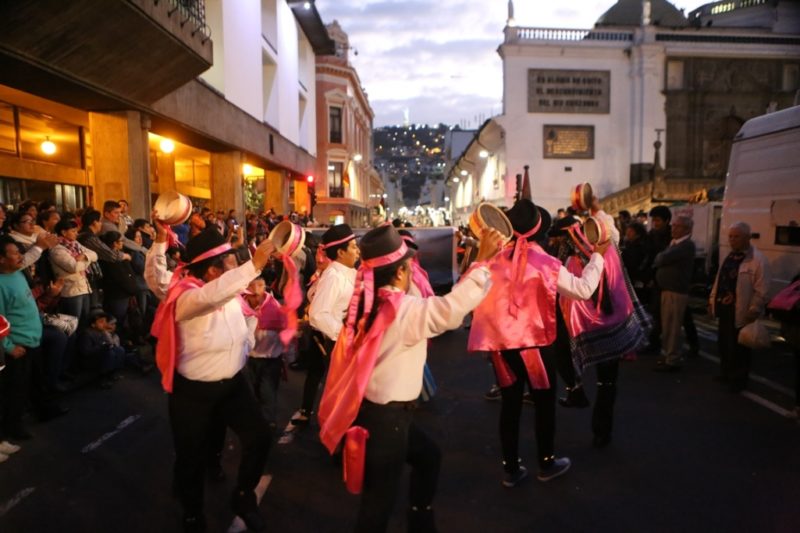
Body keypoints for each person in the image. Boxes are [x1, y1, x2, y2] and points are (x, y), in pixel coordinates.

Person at [318, 224, 504, 533]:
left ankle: (420, 517)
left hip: (383, 415)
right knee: (378, 504)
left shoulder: (370, 304)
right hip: (387, 419)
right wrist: (481, 262)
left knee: (428, 457)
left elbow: (448, 307)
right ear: (402, 272)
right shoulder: (399, 310)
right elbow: (450, 310)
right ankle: (419, 517)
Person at [468, 199, 609, 486]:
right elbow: (582, 290)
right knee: (544, 402)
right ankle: (546, 462)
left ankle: (510, 468)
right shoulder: (544, 261)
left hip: (499, 346)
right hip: (533, 344)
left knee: (510, 404)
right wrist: (599, 258)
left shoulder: (491, 258)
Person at [150, 227, 276, 532]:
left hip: (233, 383)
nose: (236, 270)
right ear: (211, 270)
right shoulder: (187, 298)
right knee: (190, 456)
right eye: (231, 264)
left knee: (259, 436)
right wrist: (253, 266)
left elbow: (243, 312)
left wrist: (247, 343)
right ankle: (193, 512)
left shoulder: (227, 289)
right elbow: (209, 295)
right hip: (193, 391)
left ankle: (244, 496)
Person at [290, 224, 359, 427]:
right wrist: (345, 335)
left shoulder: (348, 272)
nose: (358, 250)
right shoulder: (334, 277)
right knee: (340, 393)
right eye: (354, 246)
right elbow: (318, 315)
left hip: (344, 342)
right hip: (337, 344)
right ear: (340, 252)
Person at [709, 222, 769, 392]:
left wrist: (755, 308)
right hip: (725, 307)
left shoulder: (757, 260)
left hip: (743, 310)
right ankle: (726, 373)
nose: (732, 240)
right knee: (724, 343)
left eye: (736, 237)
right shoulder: (730, 256)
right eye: (730, 236)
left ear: (747, 238)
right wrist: (712, 300)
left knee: (740, 347)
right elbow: (718, 280)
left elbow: (762, 289)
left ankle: (738, 380)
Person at [653, 215, 696, 372]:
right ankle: (668, 355)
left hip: (676, 291)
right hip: (667, 290)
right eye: (673, 225)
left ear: (686, 229)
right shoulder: (675, 243)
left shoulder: (686, 245)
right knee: (667, 325)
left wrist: (661, 257)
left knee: (673, 327)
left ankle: (673, 359)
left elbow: (661, 258)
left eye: (677, 226)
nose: (673, 228)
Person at [50, 219, 98, 325]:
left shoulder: (76, 244)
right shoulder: (57, 249)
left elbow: (94, 254)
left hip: (84, 287)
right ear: (63, 232)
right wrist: (87, 260)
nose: (77, 233)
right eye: (73, 231)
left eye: (76, 230)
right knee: (73, 323)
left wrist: (84, 256)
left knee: (84, 321)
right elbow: (74, 267)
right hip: (71, 290)